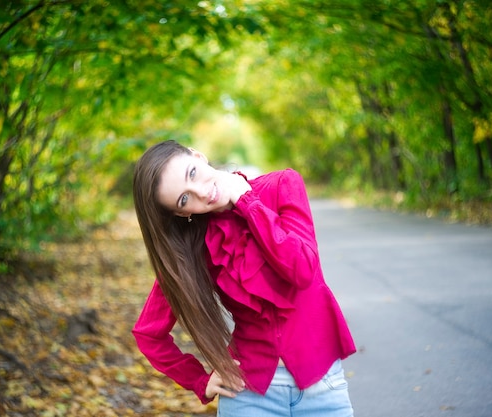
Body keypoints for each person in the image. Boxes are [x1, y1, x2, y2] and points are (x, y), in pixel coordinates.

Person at [131, 140, 356, 416]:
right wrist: (199, 381)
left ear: (198, 155)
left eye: (192, 173)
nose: (201, 191)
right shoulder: (193, 247)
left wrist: (248, 203)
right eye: (184, 198)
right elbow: (148, 333)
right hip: (249, 395)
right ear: (182, 213)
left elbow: (302, 269)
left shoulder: (282, 186)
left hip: (323, 387)